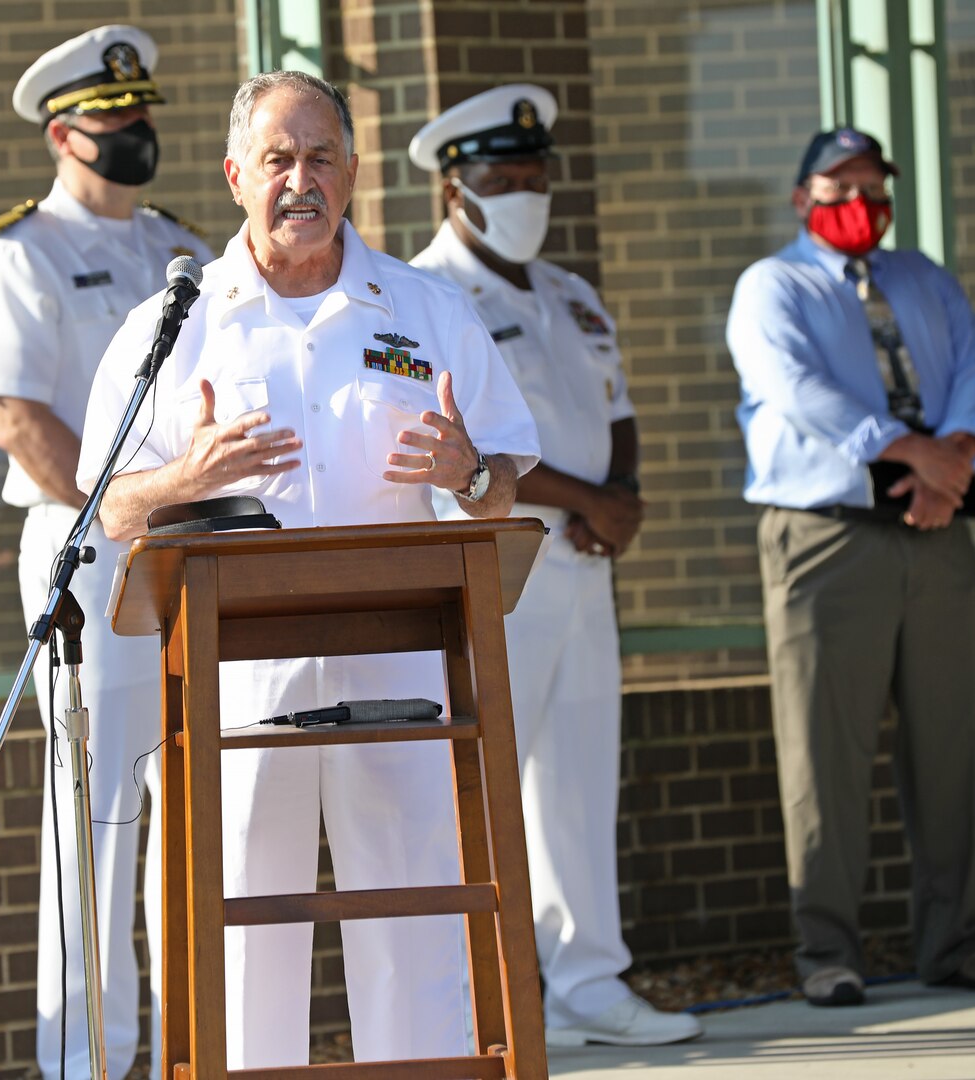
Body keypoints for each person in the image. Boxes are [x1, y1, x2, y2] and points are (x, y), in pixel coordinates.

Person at [75, 70, 541, 1069]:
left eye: (321, 157)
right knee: (239, 941)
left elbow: (507, 484)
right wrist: (185, 477)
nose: (300, 179)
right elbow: (106, 508)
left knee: (417, 934)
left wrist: (471, 473)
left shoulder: (425, 308)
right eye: (278, 159)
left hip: (407, 682)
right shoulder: (180, 322)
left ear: (354, 173)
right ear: (237, 174)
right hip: (237, 686)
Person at [408, 85, 701, 1047]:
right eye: (504, 179)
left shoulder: (571, 292)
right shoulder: (426, 296)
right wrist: (591, 501)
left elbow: (613, 412)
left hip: (581, 567)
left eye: (536, 178)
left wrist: (618, 500)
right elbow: (462, 441)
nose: (527, 194)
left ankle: (588, 981)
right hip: (497, 565)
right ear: (456, 190)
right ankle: (497, 991)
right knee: (486, 783)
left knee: (579, 776)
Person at [0, 25, 212, 1080]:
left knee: (189, 806)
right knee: (96, 817)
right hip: (89, 558)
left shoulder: (181, 248)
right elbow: (18, 421)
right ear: (64, 133)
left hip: (193, 553)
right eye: (115, 118)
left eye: (142, 111)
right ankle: (88, 1064)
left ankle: (187, 1051)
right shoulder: (21, 253)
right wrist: (128, 507)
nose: (136, 130)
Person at [727, 126, 975, 1007]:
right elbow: (796, 388)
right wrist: (906, 454)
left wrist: (954, 458)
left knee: (954, 741)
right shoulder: (771, 285)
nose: (859, 201)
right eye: (839, 184)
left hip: (938, 529)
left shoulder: (923, 277)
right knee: (825, 750)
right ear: (802, 197)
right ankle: (827, 951)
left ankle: (958, 940)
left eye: (872, 183)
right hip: (827, 534)